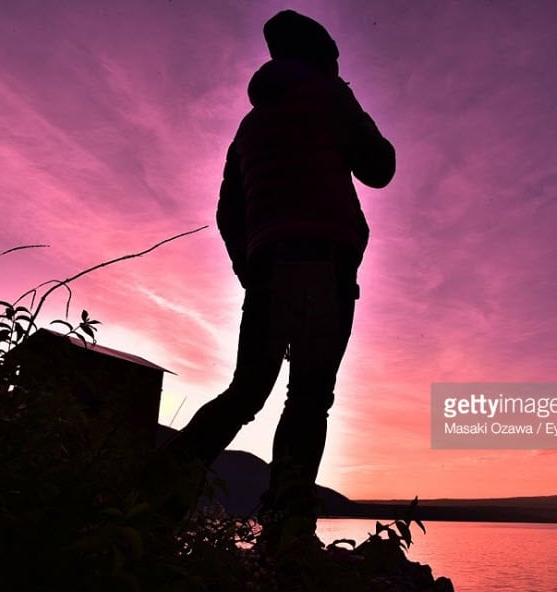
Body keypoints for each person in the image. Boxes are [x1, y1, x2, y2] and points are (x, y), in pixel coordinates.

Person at [168, 9, 395, 546]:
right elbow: (379, 167)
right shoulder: (331, 97)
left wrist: (250, 266)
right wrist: (347, 98)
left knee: (246, 391)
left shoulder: (248, 127)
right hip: (326, 263)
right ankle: (287, 533)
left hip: (268, 270)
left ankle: (155, 496)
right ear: (323, 59)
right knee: (309, 397)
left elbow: (229, 212)